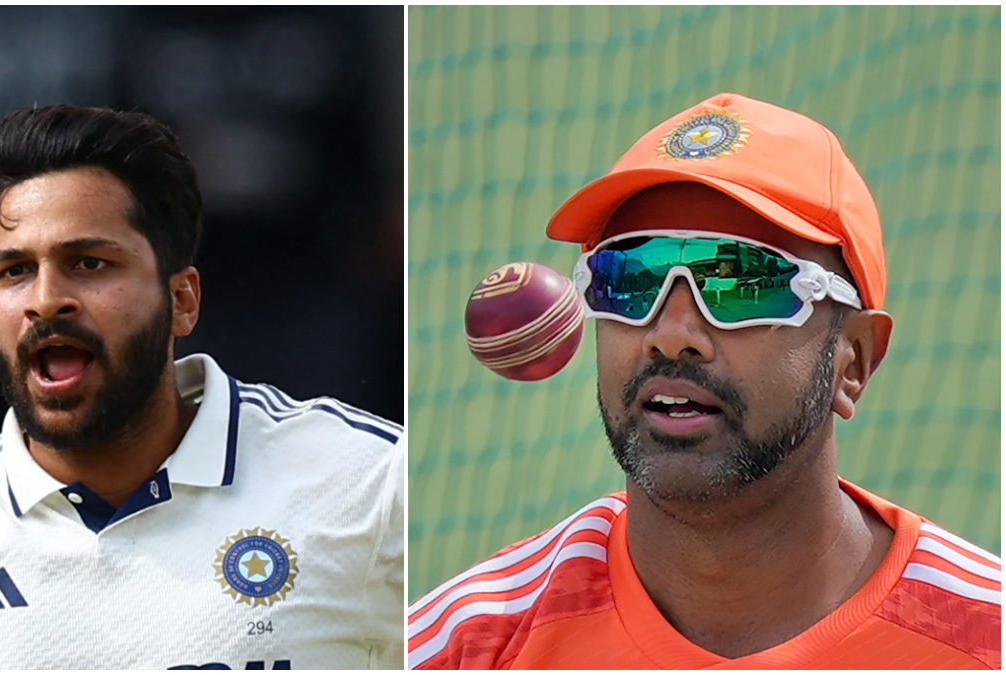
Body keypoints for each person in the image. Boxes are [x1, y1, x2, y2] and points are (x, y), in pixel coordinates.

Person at [407, 93, 1000, 669]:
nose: (671, 334)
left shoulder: (984, 638)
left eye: (742, 283)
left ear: (855, 360)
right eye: (630, 279)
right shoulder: (460, 648)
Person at [0, 104, 404, 670]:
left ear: (182, 300)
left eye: (89, 263)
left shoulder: (367, 485)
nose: (46, 299)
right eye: (14, 271)